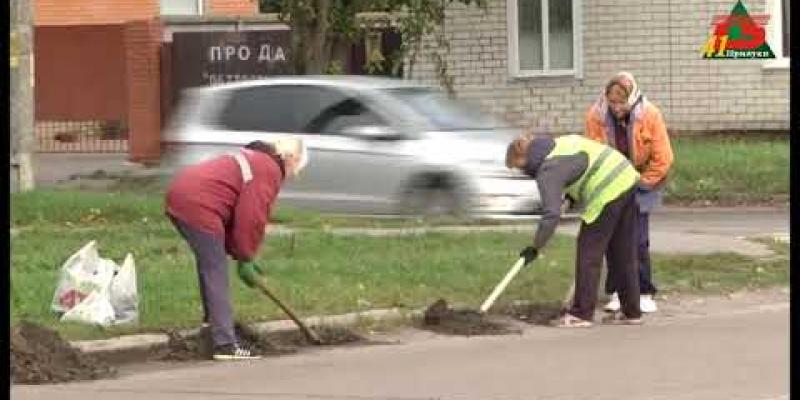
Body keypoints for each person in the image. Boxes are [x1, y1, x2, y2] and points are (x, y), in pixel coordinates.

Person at [164, 138, 308, 360]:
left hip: (182, 194)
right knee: (215, 268)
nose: (293, 175)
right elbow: (251, 217)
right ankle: (225, 344)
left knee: (210, 263)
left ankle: (210, 327)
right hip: (199, 203)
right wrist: (245, 257)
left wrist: (242, 254)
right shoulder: (269, 169)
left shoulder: (255, 159)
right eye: (296, 169)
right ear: (291, 159)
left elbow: (236, 213)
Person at [506, 134, 642, 327]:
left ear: (524, 161)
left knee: (589, 253)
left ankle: (581, 314)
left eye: (519, 168)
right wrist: (571, 198)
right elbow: (581, 165)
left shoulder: (547, 170)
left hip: (607, 190)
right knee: (622, 252)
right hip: (626, 176)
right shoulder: (560, 144)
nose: (523, 173)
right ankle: (632, 312)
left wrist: (535, 247)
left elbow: (550, 215)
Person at [584, 72, 674, 313]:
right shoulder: (596, 116)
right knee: (613, 240)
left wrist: (642, 183)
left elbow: (663, 158)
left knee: (637, 239)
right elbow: (592, 153)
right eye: (612, 102)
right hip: (611, 181)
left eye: (621, 102)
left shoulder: (650, 115)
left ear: (632, 98)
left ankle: (643, 291)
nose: (616, 108)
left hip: (643, 179)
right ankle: (616, 291)